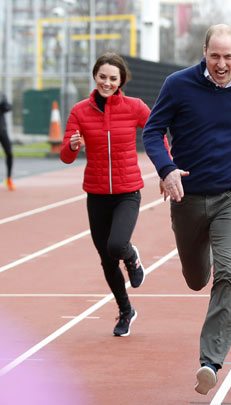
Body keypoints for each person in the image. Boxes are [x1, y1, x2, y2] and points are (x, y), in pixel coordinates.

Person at [142, 24, 231, 395]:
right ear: (204, 52)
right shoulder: (178, 85)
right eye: (215, 56)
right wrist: (166, 171)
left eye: (229, 56)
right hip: (188, 199)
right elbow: (152, 131)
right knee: (197, 279)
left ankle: (209, 362)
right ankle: (202, 255)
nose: (222, 64)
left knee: (227, 274)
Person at [60, 53, 147, 337]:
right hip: (96, 193)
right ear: (95, 77)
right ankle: (125, 311)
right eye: (102, 77)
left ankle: (132, 256)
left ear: (121, 81)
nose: (107, 83)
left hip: (127, 191)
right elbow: (65, 157)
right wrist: (73, 145)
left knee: (117, 245)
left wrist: (168, 166)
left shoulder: (134, 107)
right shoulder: (80, 111)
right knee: (106, 259)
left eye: (113, 78)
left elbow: (157, 130)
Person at [0, 90, 14, 191]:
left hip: (2, 130)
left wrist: (4, 106)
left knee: (9, 153)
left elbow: (8, 107)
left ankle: (9, 179)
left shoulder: (1, 94)